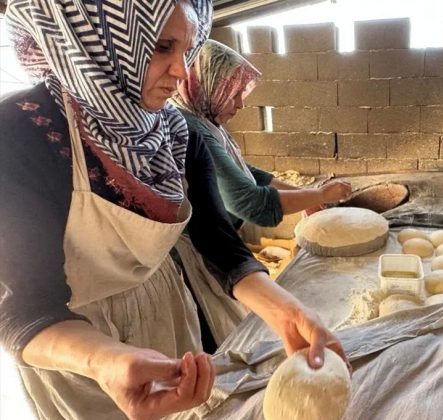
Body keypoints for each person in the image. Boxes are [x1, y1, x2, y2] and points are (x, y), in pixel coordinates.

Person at [0, 1, 347, 419]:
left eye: (185, 50)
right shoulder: (20, 135)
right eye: (162, 47)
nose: (182, 71)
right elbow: (24, 310)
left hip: (165, 305)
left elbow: (219, 245)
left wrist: (290, 313)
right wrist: (106, 361)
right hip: (75, 344)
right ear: (93, 40)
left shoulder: (176, 133)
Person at [168, 39, 353, 347]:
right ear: (209, 84)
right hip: (200, 256)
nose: (241, 103)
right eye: (234, 93)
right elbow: (250, 203)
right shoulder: (190, 129)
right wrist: (319, 194)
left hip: (218, 249)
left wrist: (307, 194)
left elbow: (248, 173)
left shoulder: (205, 120)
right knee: (215, 338)